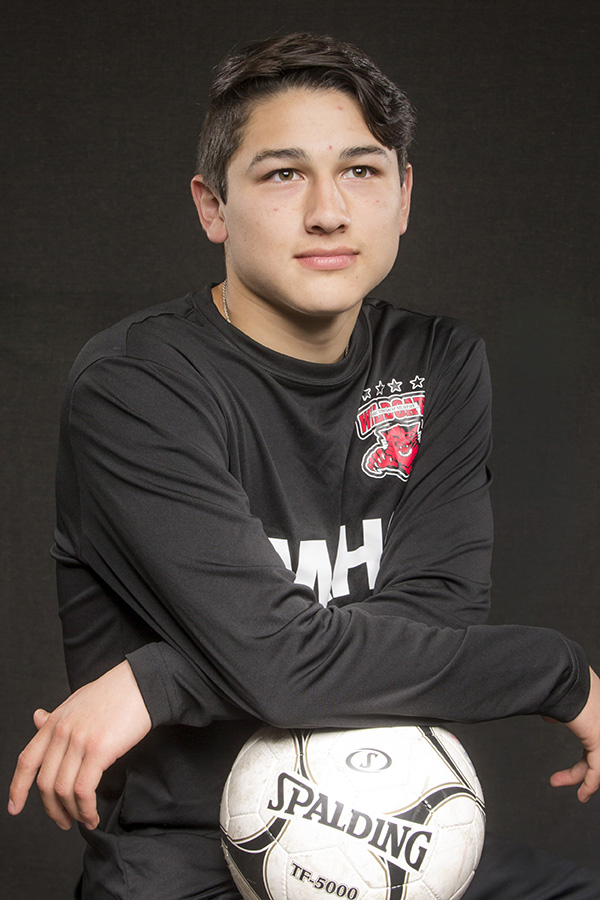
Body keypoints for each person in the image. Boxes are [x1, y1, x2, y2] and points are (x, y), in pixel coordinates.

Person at [8, 32, 600, 900]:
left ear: (404, 195)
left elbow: (437, 618)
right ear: (212, 207)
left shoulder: (438, 362)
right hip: (190, 862)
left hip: (393, 830)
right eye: (283, 173)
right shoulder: (137, 385)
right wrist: (557, 672)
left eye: (361, 170)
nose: (329, 211)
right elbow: (281, 669)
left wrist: (161, 680)